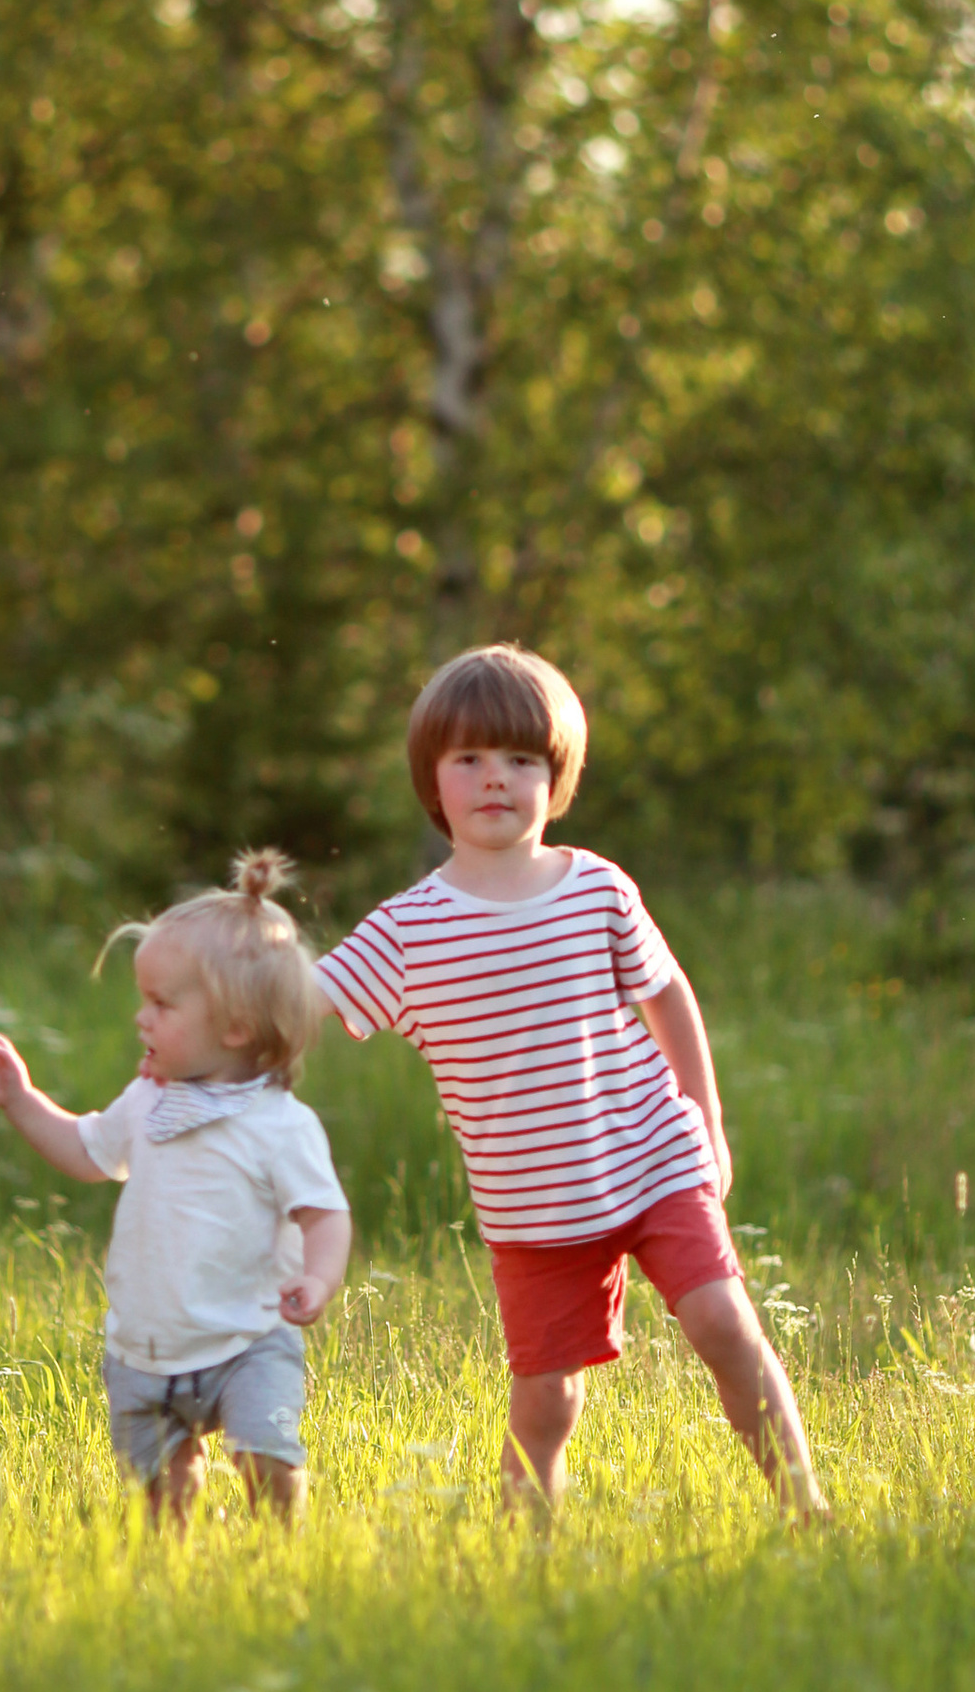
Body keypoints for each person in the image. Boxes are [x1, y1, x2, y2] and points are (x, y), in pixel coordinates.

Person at [317, 644, 826, 1520]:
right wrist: (202, 1016)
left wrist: (705, 1121)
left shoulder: (596, 887)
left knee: (724, 1326)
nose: (494, 780)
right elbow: (300, 1002)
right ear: (430, 781)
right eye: (468, 759)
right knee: (547, 1403)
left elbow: (667, 993)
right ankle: (528, 1561)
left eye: (522, 760)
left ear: (556, 780)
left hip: (653, 1152)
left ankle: (805, 1507)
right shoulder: (409, 929)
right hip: (533, 1202)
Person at [0, 853, 352, 1524]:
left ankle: (276, 1558)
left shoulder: (280, 1124)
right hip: (146, 1344)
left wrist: (318, 1281)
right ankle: (167, 1569)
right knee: (161, 1486)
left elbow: (325, 1215)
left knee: (269, 1456)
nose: (141, 1019)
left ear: (234, 1028)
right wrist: (21, 1101)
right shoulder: (147, 1101)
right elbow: (88, 1153)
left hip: (250, 1338)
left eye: (161, 1004)